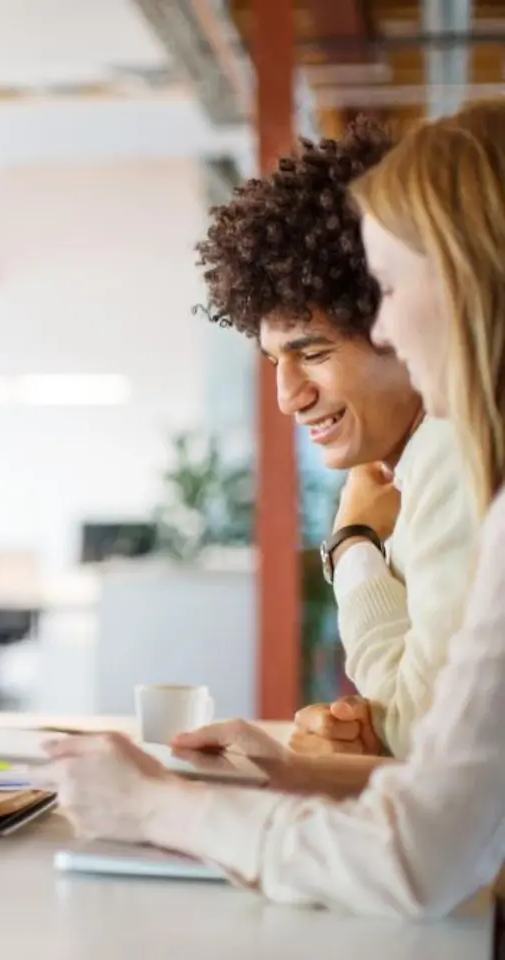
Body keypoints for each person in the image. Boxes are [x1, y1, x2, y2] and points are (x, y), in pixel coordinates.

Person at [43, 98, 505, 919]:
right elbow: (461, 793)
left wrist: (158, 807)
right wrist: (294, 770)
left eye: (392, 287)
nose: (390, 322)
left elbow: (422, 839)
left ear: (469, 283)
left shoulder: (455, 458)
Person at [194, 117, 476, 758]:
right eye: (275, 362)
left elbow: (424, 739)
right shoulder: (416, 467)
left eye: (313, 352)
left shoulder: (451, 447)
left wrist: (352, 548)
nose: (288, 396)